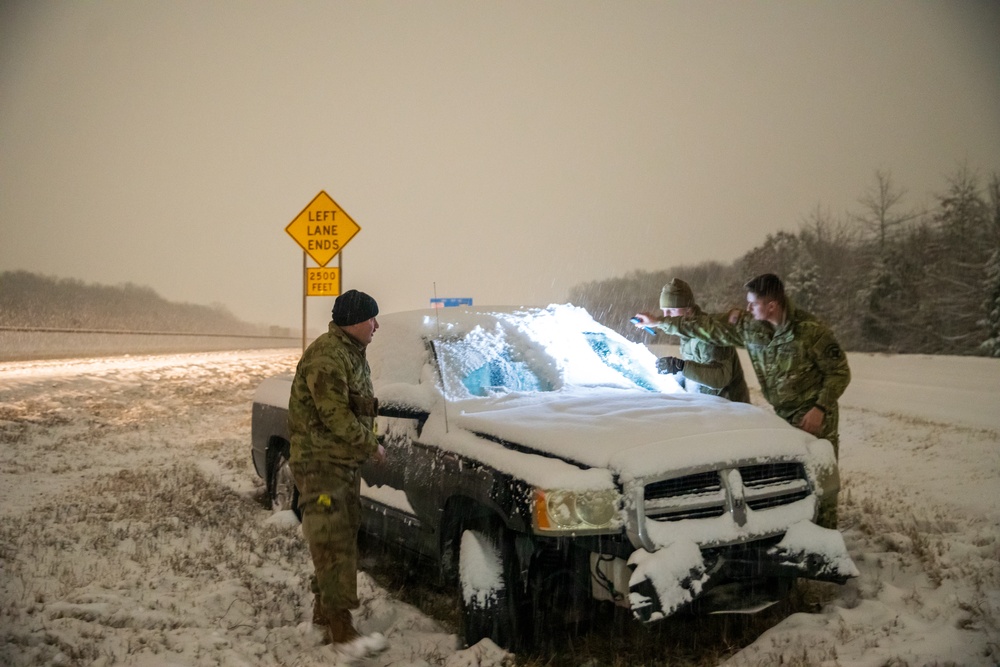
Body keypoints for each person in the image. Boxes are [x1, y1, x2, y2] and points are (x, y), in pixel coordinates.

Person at [634, 273, 850, 528]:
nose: (747, 308)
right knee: (793, 478)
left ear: (771, 305)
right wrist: (659, 323)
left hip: (816, 415)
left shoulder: (810, 332)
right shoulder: (753, 329)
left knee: (822, 480)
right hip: (783, 414)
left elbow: (839, 372)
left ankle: (826, 540)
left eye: (753, 303)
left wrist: (820, 408)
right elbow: (707, 328)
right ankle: (797, 531)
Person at [288, 289, 387, 653]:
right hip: (321, 466)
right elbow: (335, 415)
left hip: (340, 465)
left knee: (339, 537)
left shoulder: (352, 354)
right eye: (372, 318)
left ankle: (323, 616)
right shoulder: (329, 357)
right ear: (354, 321)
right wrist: (370, 444)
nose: (377, 325)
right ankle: (341, 630)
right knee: (333, 542)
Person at [648, 278, 750, 403]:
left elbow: (719, 378)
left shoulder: (708, 334)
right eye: (664, 311)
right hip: (708, 408)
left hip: (731, 411)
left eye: (672, 310)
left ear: (688, 310)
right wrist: (675, 376)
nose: (666, 315)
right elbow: (696, 375)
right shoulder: (687, 335)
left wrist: (681, 367)